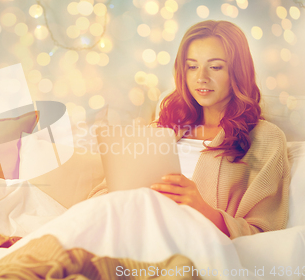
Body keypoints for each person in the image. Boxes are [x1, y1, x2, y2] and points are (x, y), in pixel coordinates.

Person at [89, 20, 291, 239]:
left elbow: (264, 234)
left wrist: (201, 208)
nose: (201, 77)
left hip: (188, 244)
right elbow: (101, 194)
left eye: (215, 67)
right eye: (192, 66)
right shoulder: (161, 128)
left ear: (238, 71)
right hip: (129, 230)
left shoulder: (265, 139)